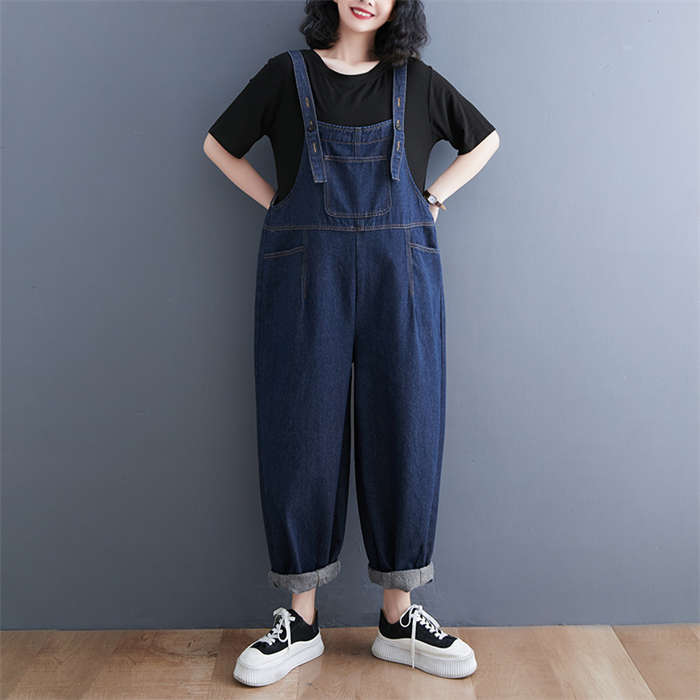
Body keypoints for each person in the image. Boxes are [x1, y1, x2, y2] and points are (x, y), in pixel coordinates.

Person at [203, 0, 499, 686]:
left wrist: (433, 199)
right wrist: (275, 202)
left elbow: (484, 140)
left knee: (407, 425)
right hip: (305, 274)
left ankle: (399, 618)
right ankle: (300, 622)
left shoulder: (415, 80)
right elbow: (218, 145)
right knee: (299, 429)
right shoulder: (286, 76)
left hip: (403, 275)